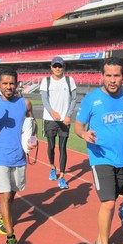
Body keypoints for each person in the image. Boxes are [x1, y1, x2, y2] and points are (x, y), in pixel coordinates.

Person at [74, 58, 123, 244]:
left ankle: (99, 238)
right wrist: (84, 133)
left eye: (116, 76)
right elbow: (77, 126)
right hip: (100, 158)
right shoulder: (91, 99)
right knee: (109, 203)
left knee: (115, 201)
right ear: (102, 76)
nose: (112, 80)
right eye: (108, 75)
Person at [0, 67, 37, 244]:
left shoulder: (25, 103)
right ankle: (11, 237)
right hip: (1, 157)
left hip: (19, 157)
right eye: (5, 83)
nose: (9, 86)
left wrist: (32, 140)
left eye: (12, 83)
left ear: (17, 84)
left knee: (12, 195)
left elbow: (32, 124)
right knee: (4, 196)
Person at [40, 56, 77, 189]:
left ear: (63, 67)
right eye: (55, 66)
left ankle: (61, 176)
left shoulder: (69, 80)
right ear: (51, 67)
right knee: (50, 146)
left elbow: (74, 99)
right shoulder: (46, 81)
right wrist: (52, 112)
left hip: (64, 120)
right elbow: (44, 99)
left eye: (59, 66)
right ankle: (52, 167)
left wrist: (68, 115)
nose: (57, 68)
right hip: (50, 119)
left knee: (62, 148)